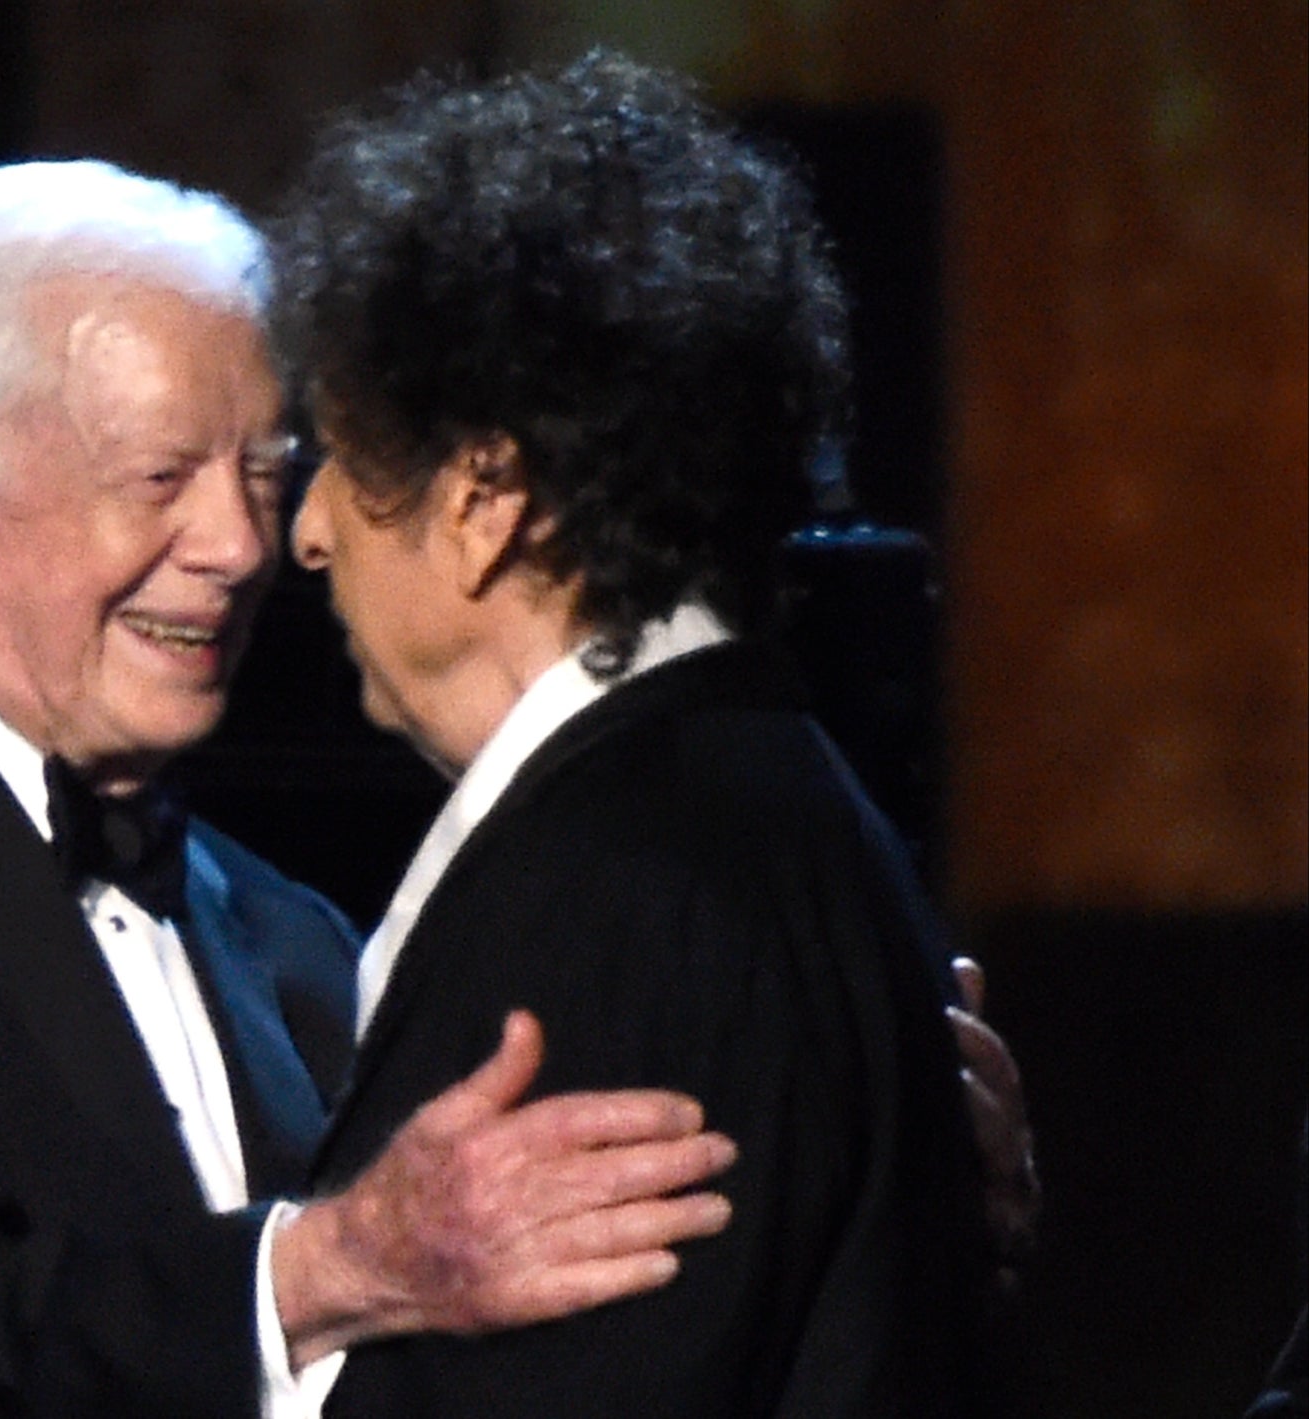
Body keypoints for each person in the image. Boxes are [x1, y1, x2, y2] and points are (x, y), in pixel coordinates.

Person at [0, 157, 744, 1419]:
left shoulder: (273, 924)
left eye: (264, 474)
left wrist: (884, 1152)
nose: (239, 546)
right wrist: (327, 1271)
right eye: (163, 476)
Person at [270, 48, 1009, 1415]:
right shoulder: (771, 790)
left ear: (486, 496)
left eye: (338, 453)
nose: (304, 530)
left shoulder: (608, 896)